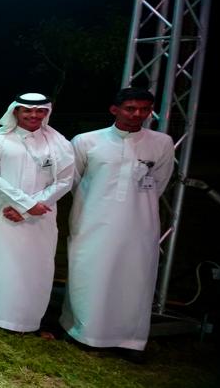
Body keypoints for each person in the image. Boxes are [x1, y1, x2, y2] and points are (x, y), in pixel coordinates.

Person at [60, 87, 175, 353]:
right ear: (115, 109)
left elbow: (159, 183)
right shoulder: (86, 141)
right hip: (92, 221)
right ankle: (83, 332)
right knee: (89, 275)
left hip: (139, 225)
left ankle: (129, 339)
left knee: (134, 279)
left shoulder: (162, 142)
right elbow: (74, 181)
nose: (137, 114)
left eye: (144, 109)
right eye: (130, 108)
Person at [0, 93, 75, 333]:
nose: (33, 115)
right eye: (27, 110)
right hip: (1, 214)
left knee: (36, 267)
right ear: (16, 111)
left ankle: (27, 319)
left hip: (41, 217)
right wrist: (26, 205)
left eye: (40, 111)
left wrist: (30, 208)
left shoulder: (59, 142)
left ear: (47, 112)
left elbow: (65, 181)